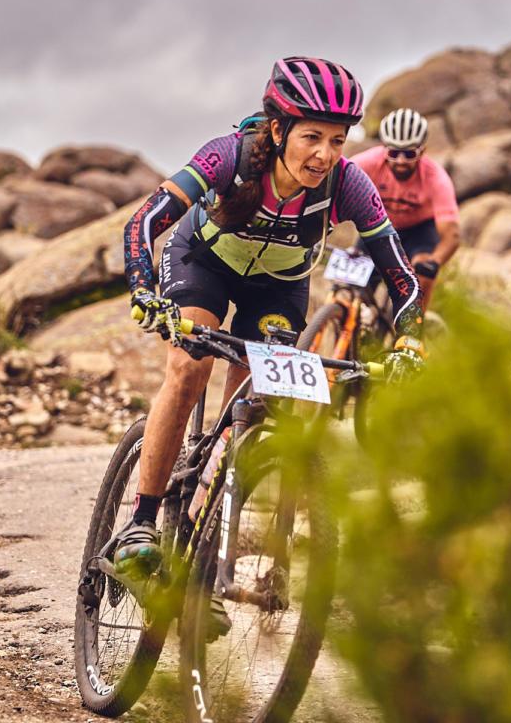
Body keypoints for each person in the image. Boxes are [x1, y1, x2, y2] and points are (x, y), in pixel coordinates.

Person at [114, 58, 426, 622]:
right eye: (312, 137)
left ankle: (203, 560)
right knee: (189, 370)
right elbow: (144, 222)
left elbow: (400, 274)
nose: (325, 154)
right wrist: (143, 289)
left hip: (278, 287)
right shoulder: (229, 157)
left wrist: (409, 340)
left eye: (337, 140)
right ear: (279, 130)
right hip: (203, 263)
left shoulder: (348, 184)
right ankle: (141, 522)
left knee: (254, 408)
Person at [350, 108, 460, 311]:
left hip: (419, 232)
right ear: (384, 149)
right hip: (378, 227)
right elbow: (332, 189)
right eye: (394, 153)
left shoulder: (437, 179)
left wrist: (434, 262)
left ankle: (413, 324)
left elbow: (451, 236)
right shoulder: (365, 163)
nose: (400, 161)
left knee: (423, 272)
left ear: (422, 151)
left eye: (409, 154)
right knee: (351, 288)